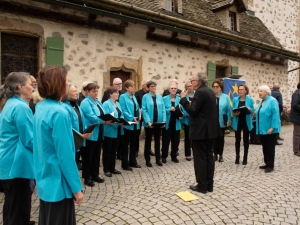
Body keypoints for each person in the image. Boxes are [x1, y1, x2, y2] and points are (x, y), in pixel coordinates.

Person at [33, 66, 83, 224]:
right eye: (66, 81)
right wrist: (76, 188)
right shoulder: (59, 113)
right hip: (58, 184)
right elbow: (65, 155)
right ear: (57, 84)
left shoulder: (41, 107)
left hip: (45, 178)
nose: (68, 85)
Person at [0, 72, 35, 225]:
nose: (32, 88)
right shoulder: (21, 107)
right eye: (30, 85)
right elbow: (30, 140)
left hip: (8, 161)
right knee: (19, 209)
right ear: (20, 87)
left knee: (11, 204)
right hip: (17, 164)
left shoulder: (10, 103)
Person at [180, 73, 219, 194]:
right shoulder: (210, 91)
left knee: (200, 158)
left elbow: (193, 111)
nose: (191, 83)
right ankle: (209, 184)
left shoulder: (200, 92)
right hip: (210, 130)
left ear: (197, 82)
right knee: (209, 157)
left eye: (192, 81)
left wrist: (183, 100)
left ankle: (202, 185)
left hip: (201, 131)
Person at [80, 83, 108, 187]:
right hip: (90, 132)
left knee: (96, 155)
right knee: (88, 156)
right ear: (87, 92)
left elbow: (103, 113)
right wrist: (105, 121)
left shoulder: (97, 101)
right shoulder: (85, 102)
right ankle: (87, 177)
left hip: (99, 131)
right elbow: (93, 117)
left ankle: (95, 174)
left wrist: (108, 118)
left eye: (97, 91)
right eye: (93, 91)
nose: (96, 93)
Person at [62, 85, 92, 170]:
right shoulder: (64, 107)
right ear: (67, 93)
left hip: (81, 139)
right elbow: (68, 126)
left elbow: (81, 120)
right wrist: (79, 136)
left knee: (82, 160)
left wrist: (87, 130)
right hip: (74, 140)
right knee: (72, 164)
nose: (76, 93)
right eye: (73, 91)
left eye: (76, 91)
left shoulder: (76, 106)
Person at [256, 85, 281, 173]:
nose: (259, 93)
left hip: (270, 129)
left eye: (261, 91)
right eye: (259, 91)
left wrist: (272, 127)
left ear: (267, 92)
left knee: (270, 147)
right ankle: (267, 163)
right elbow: (259, 112)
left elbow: (275, 115)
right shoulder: (262, 101)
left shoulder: (272, 101)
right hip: (262, 129)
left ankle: (271, 165)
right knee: (265, 147)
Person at [142, 80, 166, 167]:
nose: (153, 88)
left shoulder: (160, 97)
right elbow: (144, 110)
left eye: (155, 86)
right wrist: (148, 121)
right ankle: (147, 160)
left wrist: (163, 121)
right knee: (148, 141)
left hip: (158, 122)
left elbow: (163, 109)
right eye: (152, 86)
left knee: (157, 141)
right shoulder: (145, 97)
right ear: (148, 88)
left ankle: (158, 159)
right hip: (149, 123)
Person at [119, 80, 141, 170]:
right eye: (131, 86)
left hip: (135, 123)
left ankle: (133, 161)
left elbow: (137, 108)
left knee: (133, 143)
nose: (133, 87)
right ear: (126, 88)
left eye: (134, 86)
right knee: (125, 144)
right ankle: (125, 164)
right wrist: (131, 117)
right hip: (128, 123)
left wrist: (139, 115)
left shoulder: (134, 97)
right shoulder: (123, 97)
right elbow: (123, 109)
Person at [102, 87, 124, 177]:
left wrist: (122, 121)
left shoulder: (117, 103)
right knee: (107, 150)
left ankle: (112, 168)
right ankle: (106, 169)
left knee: (114, 150)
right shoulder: (106, 104)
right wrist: (117, 124)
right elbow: (107, 117)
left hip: (118, 130)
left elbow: (121, 114)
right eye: (116, 93)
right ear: (110, 94)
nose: (118, 94)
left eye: (118, 92)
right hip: (109, 130)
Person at [232, 84, 254, 165]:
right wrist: (235, 113)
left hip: (246, 121)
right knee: (237, 140)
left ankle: (245, 158)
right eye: (239, 89)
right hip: (237, 121)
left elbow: (252, 110)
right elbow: (233, 109)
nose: (240, 91)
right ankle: (237, 157)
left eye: (242, 89)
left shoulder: (250, 100)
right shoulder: (235, 99)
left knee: (246, 140)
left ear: (245, 91)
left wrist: (249, 109)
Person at [161, 82, 182, 163]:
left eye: (175, 88)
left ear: (177, 90)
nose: (173, 90)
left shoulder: (179, 99)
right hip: (168, 123)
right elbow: (162, 110)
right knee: (166, 141)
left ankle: (174, 156)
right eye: (172, 88)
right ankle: (164, 156)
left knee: (176, 141)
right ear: (169, 90)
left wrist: (181, 115)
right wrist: (169, 109)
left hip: (176, 122)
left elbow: (182, 109)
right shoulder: (164, 99)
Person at [212, 79, 231, 163]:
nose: (215, 88)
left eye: (217, 86)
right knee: (214, 139)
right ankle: (214, 154)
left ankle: (221, 155)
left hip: (222, 120)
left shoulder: (225, 97)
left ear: (220, 88)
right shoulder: (211, 96)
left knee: (221, 138)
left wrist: (228, 120)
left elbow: (228, 110)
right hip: (213, 121)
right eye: (214, 87)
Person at [134, 80, 152, 157]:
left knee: (149, 134)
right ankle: (136, 150)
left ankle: (149, 149)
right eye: (145, 84)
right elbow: (138, 105)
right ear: (143, 86)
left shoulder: (150, 93)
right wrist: (142, 113)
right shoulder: (138, 93)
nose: (147, 86)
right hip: (140, 116)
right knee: (137, 133)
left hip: (148, 115)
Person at [181, 81, 194, 161]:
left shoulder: (197, 95)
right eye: (188, 86)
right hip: (187, 119)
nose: (190, 87)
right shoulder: (184, 96)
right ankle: (188, 154)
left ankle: (196, 153)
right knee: (187, 137)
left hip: (196, 119)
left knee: (196, 137)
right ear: (186, 88)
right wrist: (187, 114)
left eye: (191, 86)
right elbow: (182, 106)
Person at [290, 82, 300, 156]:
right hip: (297, 117)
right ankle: (296, 150)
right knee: (297, 134)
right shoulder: (297, 93)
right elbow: (295, 105)